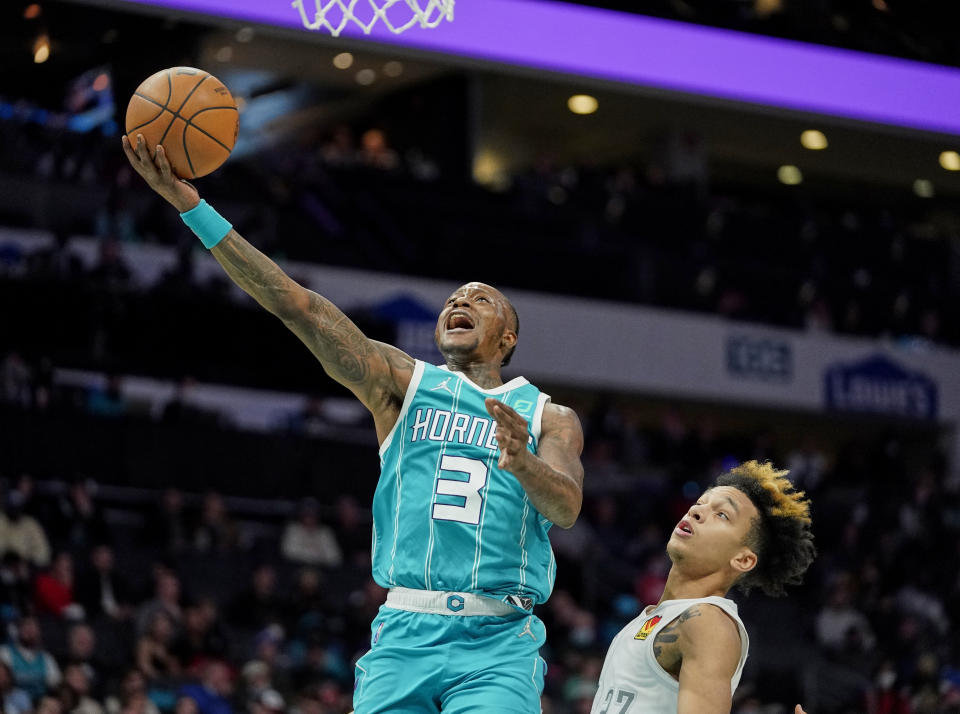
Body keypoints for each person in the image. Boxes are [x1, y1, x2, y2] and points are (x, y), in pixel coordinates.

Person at [123, 133, 586, 713]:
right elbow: (298, 305)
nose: (459, 302)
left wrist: (523, 462)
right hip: (404, 631)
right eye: (452, 298)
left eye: (480, 298)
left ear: (508, 337)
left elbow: (566, 507)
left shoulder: (549, 416)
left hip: (499, 640)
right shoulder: (402, 382)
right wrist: (194, 209)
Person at [590, 461, 815, 714]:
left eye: (722, 515)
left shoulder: (707, 623)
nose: (695, 512)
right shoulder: (657, 616)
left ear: (743, 559)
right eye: (699, 503)